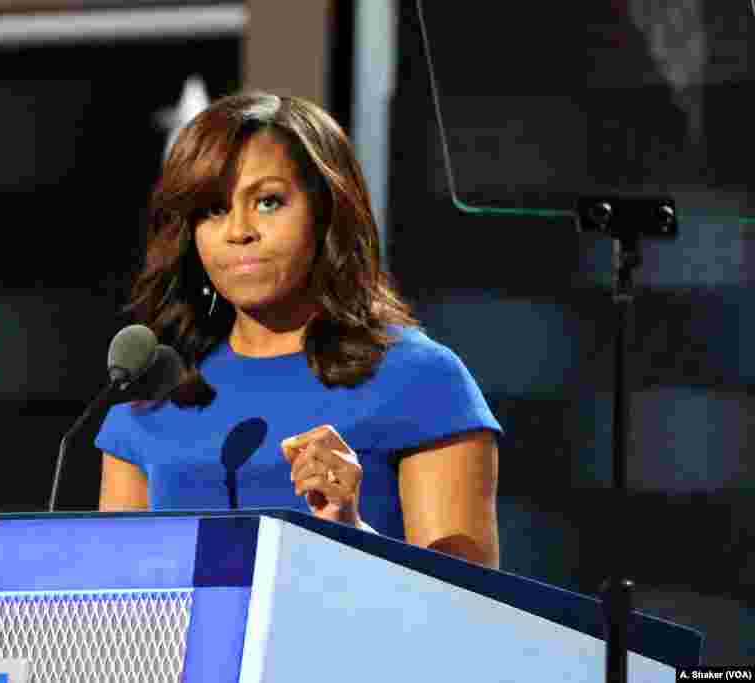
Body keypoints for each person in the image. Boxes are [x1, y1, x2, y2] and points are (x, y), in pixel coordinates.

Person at [96, 92, 503, 568]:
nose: (238, 230)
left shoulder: (421, 379)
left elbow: (468, 610)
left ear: (327, 212)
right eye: (212, 209)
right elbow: (116, 596)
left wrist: (353, 531)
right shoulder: (153, 390)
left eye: (268, 202)